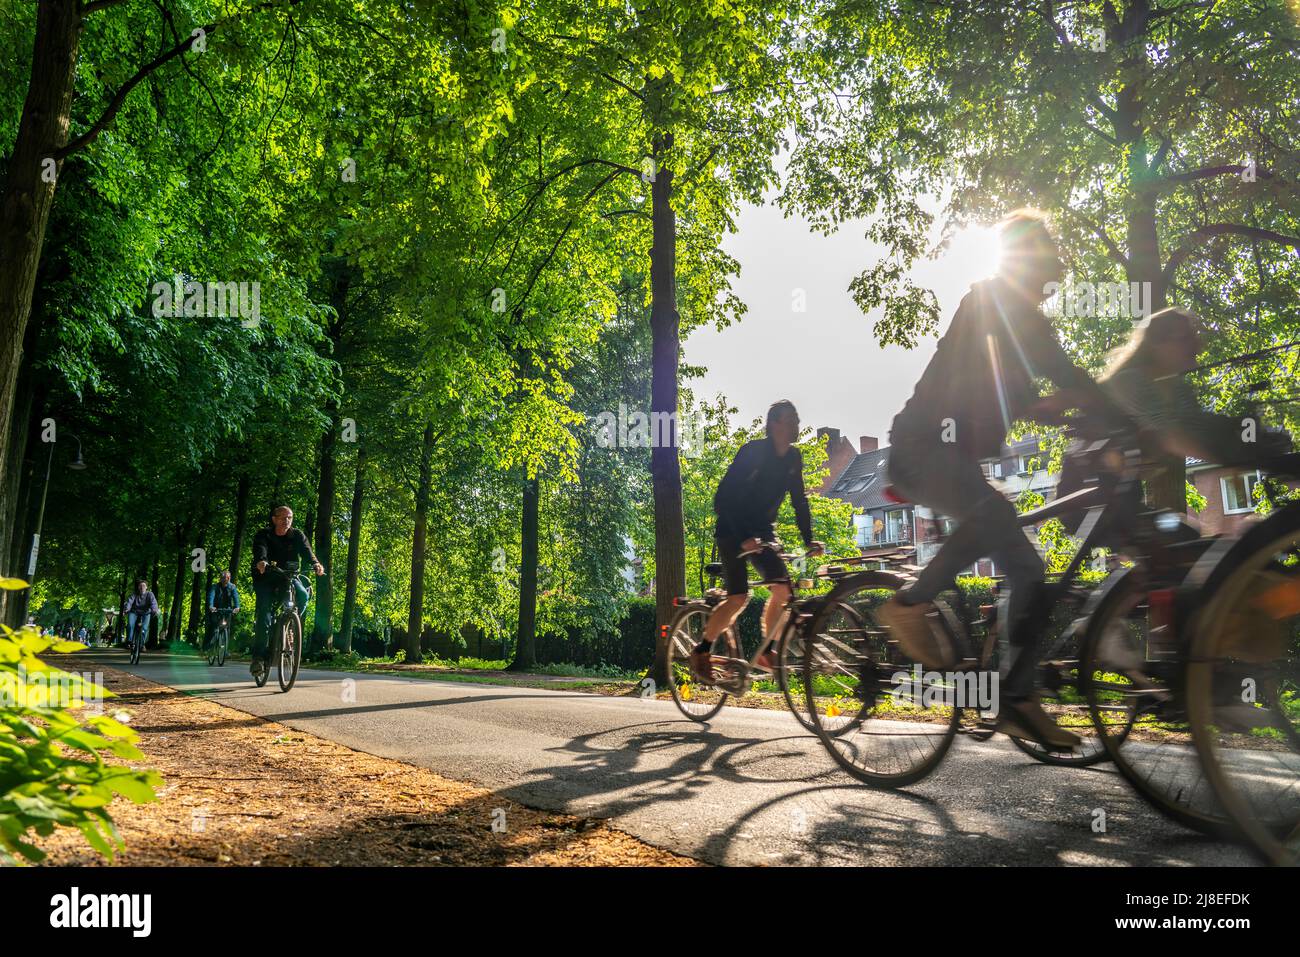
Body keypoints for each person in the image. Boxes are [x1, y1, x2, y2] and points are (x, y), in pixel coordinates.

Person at [877, 209, 1135, 750]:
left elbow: (1047, 382)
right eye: (1050, 258)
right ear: (1027, 258)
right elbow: (1033, 378)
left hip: (953, 459)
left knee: (1027, 565)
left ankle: (1015, 696)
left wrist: (1096, 414)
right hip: (920, 449)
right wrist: (1094, 410)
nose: (1057, 270)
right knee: (995, 516)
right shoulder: (989, 302)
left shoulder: (1026, 320)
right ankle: (908, 604)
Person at [689, 400, 825, 682]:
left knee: (784, 590)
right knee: (738, 597)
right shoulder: (752, 452)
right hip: (732, 529)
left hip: (763, 530)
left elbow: (799, 502)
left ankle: (768, 651)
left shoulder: (793, 458)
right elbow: (722, 499)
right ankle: (702, 650)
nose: (796, 425)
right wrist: (743, 538)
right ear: (774, 424)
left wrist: (809, 540)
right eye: (791, 420)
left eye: (797, 420)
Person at [250, 505, 324, 680]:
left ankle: (291, 621)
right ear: (274, 519)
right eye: (283, 517)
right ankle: (259, 659)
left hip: (288, 577)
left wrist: (315, 564)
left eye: (290, 517)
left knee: (303, 595)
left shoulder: (296, 535)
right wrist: (261, 561)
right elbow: (260, 549)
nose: (287, 521)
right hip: (266, 578)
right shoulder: (264, 534)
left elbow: (307, 551)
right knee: (264, 616)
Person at [204, 568, 242, 650]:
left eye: (225, 577)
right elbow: (211, 596)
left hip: (227, 609)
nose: (223, 579)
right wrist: (211, 606)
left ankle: (225, 648)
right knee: (213, 626)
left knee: (226, 627)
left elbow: (235, 597)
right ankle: (209, 644)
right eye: (222, 577)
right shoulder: (215, 587)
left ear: (229, 578)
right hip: (216, 609)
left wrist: (237, 607)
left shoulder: (232, 587)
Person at [122, 579, 159, 650]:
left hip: (146, 613)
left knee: (144, 628)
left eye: (144, 585)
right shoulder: (134, 594)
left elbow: (153, 603)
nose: (142, 587)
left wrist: (154, 610)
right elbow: (129, 602)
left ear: (146, 587)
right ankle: (130, 641)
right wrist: (126, 609)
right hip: (134, 612)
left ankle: (142, 645)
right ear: (138, 587)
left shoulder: (150, 594)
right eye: (140, 586)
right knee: (130, 625)